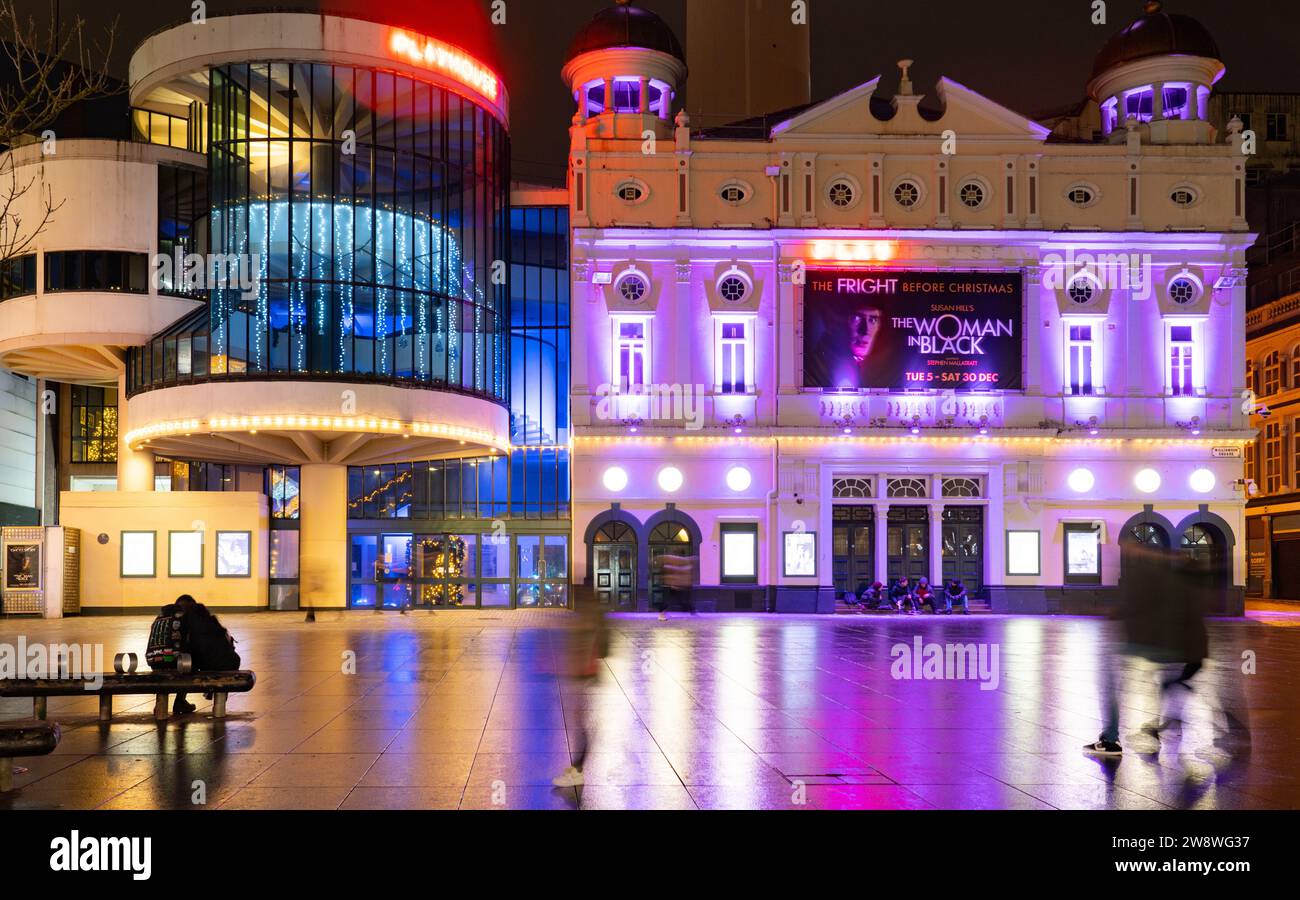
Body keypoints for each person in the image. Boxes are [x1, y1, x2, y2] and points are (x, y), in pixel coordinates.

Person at [553, 595, 609, 789]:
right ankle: (577, 768)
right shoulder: (587, 609)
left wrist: (582, 668)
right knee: (579, 722)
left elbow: (595, 645)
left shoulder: (589, 612)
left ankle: (578, 770)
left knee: (580, 723)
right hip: (580, 673)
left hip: (583, 674)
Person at [173, 595, 242, 714]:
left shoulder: (187, 623)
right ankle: (219, 705)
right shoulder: (210, 619)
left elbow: (190, 649)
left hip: (211, 663)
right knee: (200, 662)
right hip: (231, 661)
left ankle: (180, 701)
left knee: (186, 664)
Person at [146, 600, 192, 714]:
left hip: (152, 660)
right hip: (170, 660)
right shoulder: (179, 619)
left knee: (162, 672)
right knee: (188, 664)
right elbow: (186, 642)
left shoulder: (157, 620)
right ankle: (180, 702)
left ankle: (159, 704)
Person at [655, 554, 696, 620]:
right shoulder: (670, 566)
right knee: (667, 601)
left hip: (675, 586)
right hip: (669, 586)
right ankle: (661, 615)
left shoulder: (678, 566)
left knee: (680, 600)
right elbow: (669, 576)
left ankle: (691, 610)